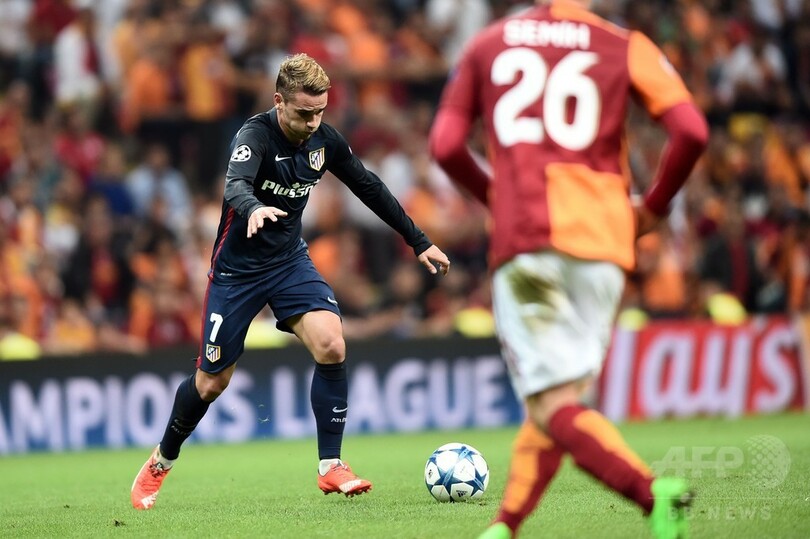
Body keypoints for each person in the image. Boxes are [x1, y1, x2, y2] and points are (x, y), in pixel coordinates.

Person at [429, 1, 708, 538]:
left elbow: (444, 146)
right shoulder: (626, 45)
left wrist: (497, 198)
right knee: (556, 400)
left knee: (552, 401)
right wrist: (653, 207)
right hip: (604, 240)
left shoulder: (488, 44)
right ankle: (504, 527)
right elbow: (692, 131)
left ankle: (654, 495)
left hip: (529, 236)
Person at [131, 53, 451, 510]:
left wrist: (418, 241)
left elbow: (368, 186)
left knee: (332, 343)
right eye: (303, 113)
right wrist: (253, 207)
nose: (312, 122)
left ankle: (331, 466)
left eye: (320, 112)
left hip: (287, 263)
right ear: (279, 101)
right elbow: (234, 185)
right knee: (212, 383)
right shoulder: (254, 136)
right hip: (237, 273)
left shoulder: (324, 139)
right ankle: (161, 461)